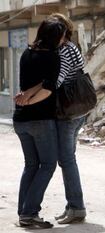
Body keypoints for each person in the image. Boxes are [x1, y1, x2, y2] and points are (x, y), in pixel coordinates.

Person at [15, 13, 87, 224]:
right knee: (54, 162)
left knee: (63, 159)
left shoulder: (61, 52)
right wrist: (30, 94)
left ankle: (75, 207)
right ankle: (32, 212)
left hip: (68, 112)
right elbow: (49, 82)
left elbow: (52, 84)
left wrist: (27, 97)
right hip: (53, 114)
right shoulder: (56, 52)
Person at [13, 18, 66, 229]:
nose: (63, 39)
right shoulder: (53, 57)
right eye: (61, 35)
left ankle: (23, 212)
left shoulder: (27, 53)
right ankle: (29, 212)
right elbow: (47, 89)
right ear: (55, 37)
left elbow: (38, 84)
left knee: (31, 165)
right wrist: (29, 100)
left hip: (20, 121)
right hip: (40, 120)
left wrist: (25, 98)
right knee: (48, 165)